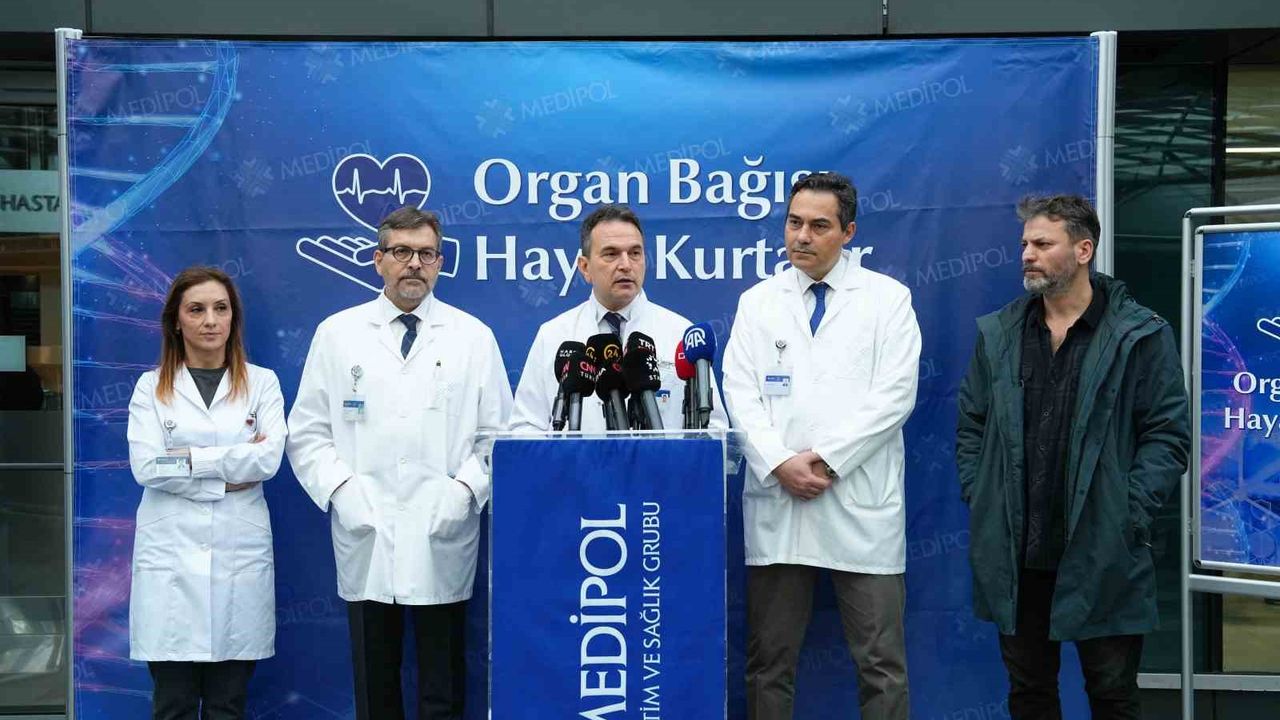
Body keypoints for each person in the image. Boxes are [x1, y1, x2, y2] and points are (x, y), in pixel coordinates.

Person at [956, 195, 1190, 719]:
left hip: (1104, 552)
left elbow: (1167, 434)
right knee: (1029, 694)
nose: (1027, 255)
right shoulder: (1000, 334)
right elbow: (972, 423)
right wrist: (982, 494)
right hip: (1018, 554)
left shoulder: (1140, 334)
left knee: (1112, 696)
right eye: (1025, 244)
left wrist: (1127, 511)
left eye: (1043, 244)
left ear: (1083, 250)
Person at [287, 206, 512, 720]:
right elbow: (307, 432)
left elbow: (499, 435)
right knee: (375, 686)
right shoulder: (338, 334)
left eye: (427, 254)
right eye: (402, 252)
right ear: (378, 260)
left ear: (440, 263)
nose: (415, 264)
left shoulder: (472, 337)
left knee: (442, 688)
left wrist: (465, 492)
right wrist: (342, 492)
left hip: (442, 526)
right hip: (367, 528)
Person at [722, 172, 920, 720]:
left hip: (861, 507)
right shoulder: (758, 302)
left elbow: (895, 396)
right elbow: (739, 393)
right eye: (794, 223)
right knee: (769, 662)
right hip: (780, 502)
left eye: (819, 225)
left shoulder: (888, 300)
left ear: (848, 232)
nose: (802, 236)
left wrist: (827, 459)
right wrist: (780, 463)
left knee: (881, 665)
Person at [126, 266, 287, 720]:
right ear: (177, 321)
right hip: (170, 560)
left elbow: (268, 460)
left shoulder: (263, 383)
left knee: (227, 705)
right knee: (173, 704)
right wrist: (227, 471)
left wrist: (189, 459)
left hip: (238, 553)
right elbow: (147, 466)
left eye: (221, 309)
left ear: (234, 318)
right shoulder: (150, 387)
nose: (210, 320)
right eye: (196, 310)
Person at [509, 203, 727, 432]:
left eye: (635, 253)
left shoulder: (681, 333)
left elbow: (713, 428)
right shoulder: (553, 335)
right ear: (585, 267)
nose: (625, 265)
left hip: (664, 457)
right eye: (611, 254)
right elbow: (525, 427)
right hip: (578, 458)